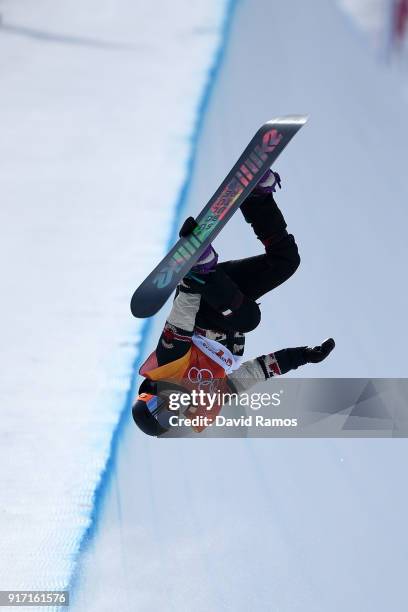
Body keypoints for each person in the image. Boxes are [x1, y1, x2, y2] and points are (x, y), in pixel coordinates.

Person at [132, 169, 335, 436]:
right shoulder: (206, 404)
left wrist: (193, 279)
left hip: (203, 301)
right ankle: (257, 200)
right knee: (285, 262)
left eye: (159, 403)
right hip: (226, 297)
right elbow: (254, 373)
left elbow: (179, 324)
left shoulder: (163, 371)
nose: (172, 404)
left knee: (249, 319)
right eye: (171, 415)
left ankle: (202, 268)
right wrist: (302, 356)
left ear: (150, 394)